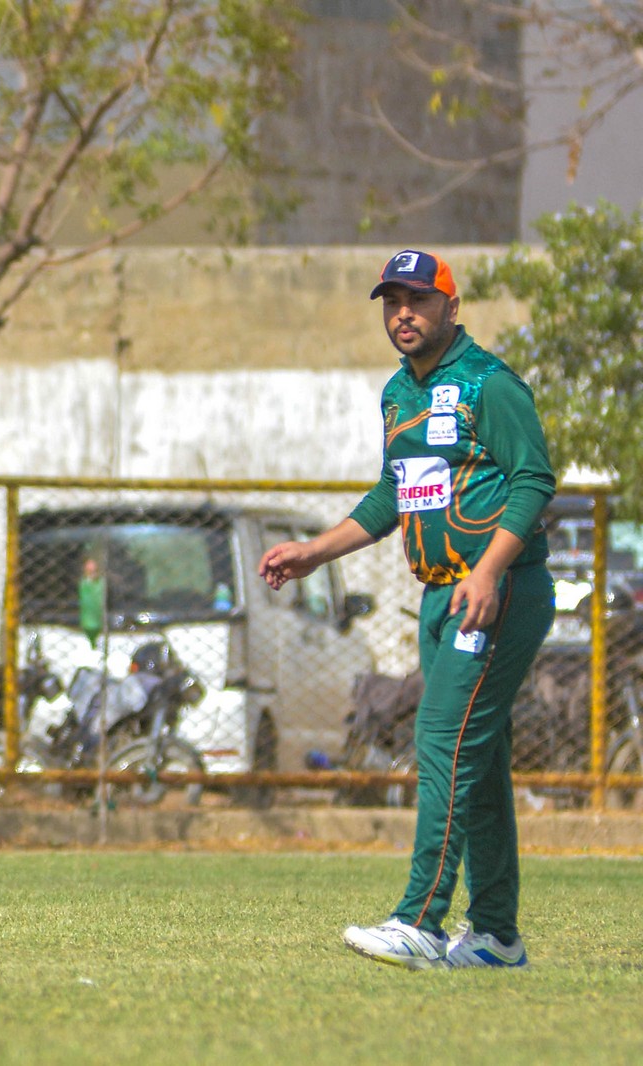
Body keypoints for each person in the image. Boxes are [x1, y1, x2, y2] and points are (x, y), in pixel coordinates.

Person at [259, 249, 555, 970]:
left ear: (451, 307)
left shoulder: (488, 384)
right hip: (439, 594)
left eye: (418, 300)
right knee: (477, 758)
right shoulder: (398, 393)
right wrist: (316, 550)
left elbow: (533, 480)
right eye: (392, 301)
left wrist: (489, 570)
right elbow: (395, 493)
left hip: (497, 592)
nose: (403, 313)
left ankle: (420, 921)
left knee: (441, 739)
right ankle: (496, 937)